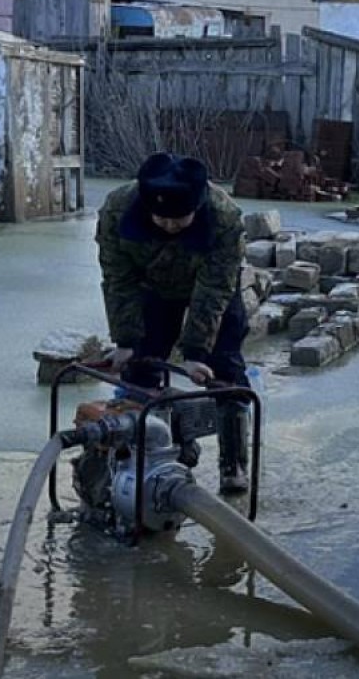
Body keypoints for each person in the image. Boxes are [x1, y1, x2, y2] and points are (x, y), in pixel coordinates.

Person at [96, 152, 252, 494]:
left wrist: (196, 350)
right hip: (152, 288)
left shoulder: (224, 217)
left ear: (196, 208)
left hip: (211, 289)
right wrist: (125, 340)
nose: (169, 226)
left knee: (226, 371)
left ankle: (234, 463)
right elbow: (118, 279)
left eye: (179, 219)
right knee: (139, 369)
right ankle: (157, 451)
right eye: (161, 218)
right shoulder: (116, 211)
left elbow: (214, 288)